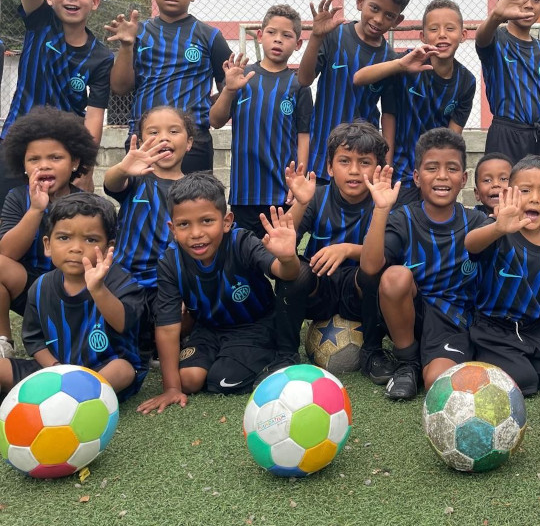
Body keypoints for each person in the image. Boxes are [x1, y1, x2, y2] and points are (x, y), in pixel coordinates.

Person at [136, 174, 300, 414]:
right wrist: (171, 388)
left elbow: (287, 273)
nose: (196, 233)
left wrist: (287, 258)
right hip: (209, 329)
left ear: (226, 221)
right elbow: (167, 327)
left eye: (206, 221)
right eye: (184, 224)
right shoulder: (170, 262)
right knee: (188, 381)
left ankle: (273, 358)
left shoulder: (242, 242)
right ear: (172, 229)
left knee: (222, 380)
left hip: (254, 326)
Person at [359, 128, 490, 400]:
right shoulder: (403, 218)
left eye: (451, 168)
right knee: (395, 277)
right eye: (432, 168)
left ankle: (428, 363)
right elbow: (370, 268)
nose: (442, 175)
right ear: (417, 178)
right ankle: (407, 361)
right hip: (411, 314)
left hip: (452, 320)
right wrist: (381, 209)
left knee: (439, 385)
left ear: (463, 179)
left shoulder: (477, 222)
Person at [1, 0, 113, 197]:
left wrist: (85, 168)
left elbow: (94, 117)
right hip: (17, 146)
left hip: (65, 156)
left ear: (94, 3)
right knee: (11, 219)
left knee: (61, 222)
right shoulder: (40, 23)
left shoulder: (101, 57)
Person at [0, 193, 146, 401]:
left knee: (122, 369)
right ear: (47, 244)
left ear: (108, 247)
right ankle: (59, 396)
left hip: (102, 368)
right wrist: (56, 369)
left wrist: (98, 290)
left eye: (90, 239)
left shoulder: (121, 282)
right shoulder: (40, 287)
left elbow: (124, 324)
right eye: (64, 238)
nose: (76, 248)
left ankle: (69, 399)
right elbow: (35, 340)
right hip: (53, 370)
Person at [276, 123, 392, 384]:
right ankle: (284, 354)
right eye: (344, 161)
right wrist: (301, 203)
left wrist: (347, 249)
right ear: (330, 167)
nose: (354, 170)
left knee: (378, 274)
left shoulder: (384, 201)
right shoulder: (317, 197)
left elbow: (388, 255)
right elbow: (284, 239)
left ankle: (373, 352)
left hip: (359, 293)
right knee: (293, 271)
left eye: (364, 162)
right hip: (320, 287)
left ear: (377, 169)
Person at [108, 0, 232, 173]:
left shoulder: (210, 37)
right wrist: (126, 47)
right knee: (144, 197)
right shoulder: (137, 33)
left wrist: (211, 104)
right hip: (144, 142)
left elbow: (228, 88)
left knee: (194, 197)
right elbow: (120, 87)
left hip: (193, 143)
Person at [465, 156, 540, 395]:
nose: (534, 198)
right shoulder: (497, 229)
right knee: (522, 381)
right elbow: (471, 245)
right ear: (507, 196)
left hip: (534, 329)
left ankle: (525, 360)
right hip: (494, 328)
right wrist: (497, 228)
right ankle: (485, 355)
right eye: (525, 190)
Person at [353, 0, 476, 205]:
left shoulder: (466, 81)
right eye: (434, 29)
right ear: (422, 36)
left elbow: (453, 137)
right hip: (401, 170)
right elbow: (361, 82)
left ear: (463, 35)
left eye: (450, 28)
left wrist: (446, 173)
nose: (442, 34)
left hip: (435, 174)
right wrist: (387, 167)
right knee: (397, 222)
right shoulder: (407, 63)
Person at [0, 107, 98, 358]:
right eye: (34, 159)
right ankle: (4, 343)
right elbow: (7, 253)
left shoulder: (88, 204)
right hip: (32, 290)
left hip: (76, 289)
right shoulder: (17, 197)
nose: (44, 165)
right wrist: (35, 209)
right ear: (23, 164)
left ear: (75, 162)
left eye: (55, 157)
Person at [296, 0, 411, 180]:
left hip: (362, 161)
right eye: (374, 8)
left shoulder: (392, 60)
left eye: (389, 15)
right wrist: (316, 37)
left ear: (397, 20)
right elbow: (304, 79)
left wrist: (386, 163)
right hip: (321, 155)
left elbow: (388, 114)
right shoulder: (334, 35)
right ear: (360, 1)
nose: (378, 19)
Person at [210, 4, 311, 238]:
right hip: (244, 193)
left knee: (278, 253)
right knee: (243, 254)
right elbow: (215, 120)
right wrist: (229, 90)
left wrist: (299, 179)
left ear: (297, 44)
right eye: (272, 32)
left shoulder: (299, 86)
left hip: (281, 192)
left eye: (286, 35)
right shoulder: (242, 77)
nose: (278, 40)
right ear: (259, 35)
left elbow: (303, 137)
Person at [104, 105, 194, 360]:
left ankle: (164, 342)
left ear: (189, 143)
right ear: (142, 141)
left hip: (167, 281)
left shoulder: (193, 189)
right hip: (125, 278)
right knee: (117, 328)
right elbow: (111, 183)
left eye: (173, 131)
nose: (164, 138)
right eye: (154, 132)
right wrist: (123, 169)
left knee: (183, 316)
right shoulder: (135, 179)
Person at [475, 0, 540, 162]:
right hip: (504, 135)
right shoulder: (496, 39)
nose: (528, 5)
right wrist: (496, 15)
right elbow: (481, 39)